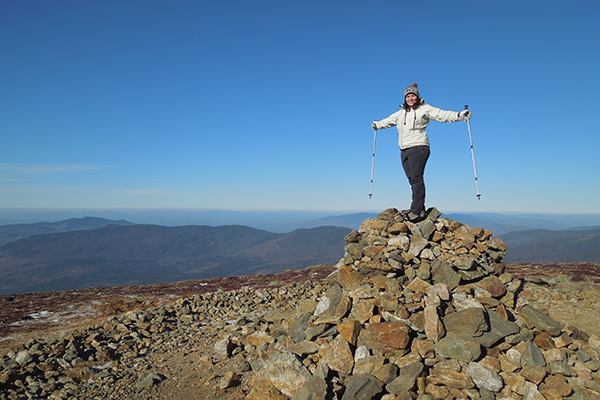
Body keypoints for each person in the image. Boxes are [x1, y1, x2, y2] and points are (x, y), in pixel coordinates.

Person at [371, 83, 471, 222]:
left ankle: (417, 211)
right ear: (405, 98)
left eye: (413, 95)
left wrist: (459, 115)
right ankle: (418, 208)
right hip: (404, 149)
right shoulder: (401, 113)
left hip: (419, 146)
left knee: (416, 177)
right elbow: (388, 121)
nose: (410, 98)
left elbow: (441, 114)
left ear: (417, 97)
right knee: (412, 179)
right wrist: (377, 124)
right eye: (408, 96)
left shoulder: (424, 109)